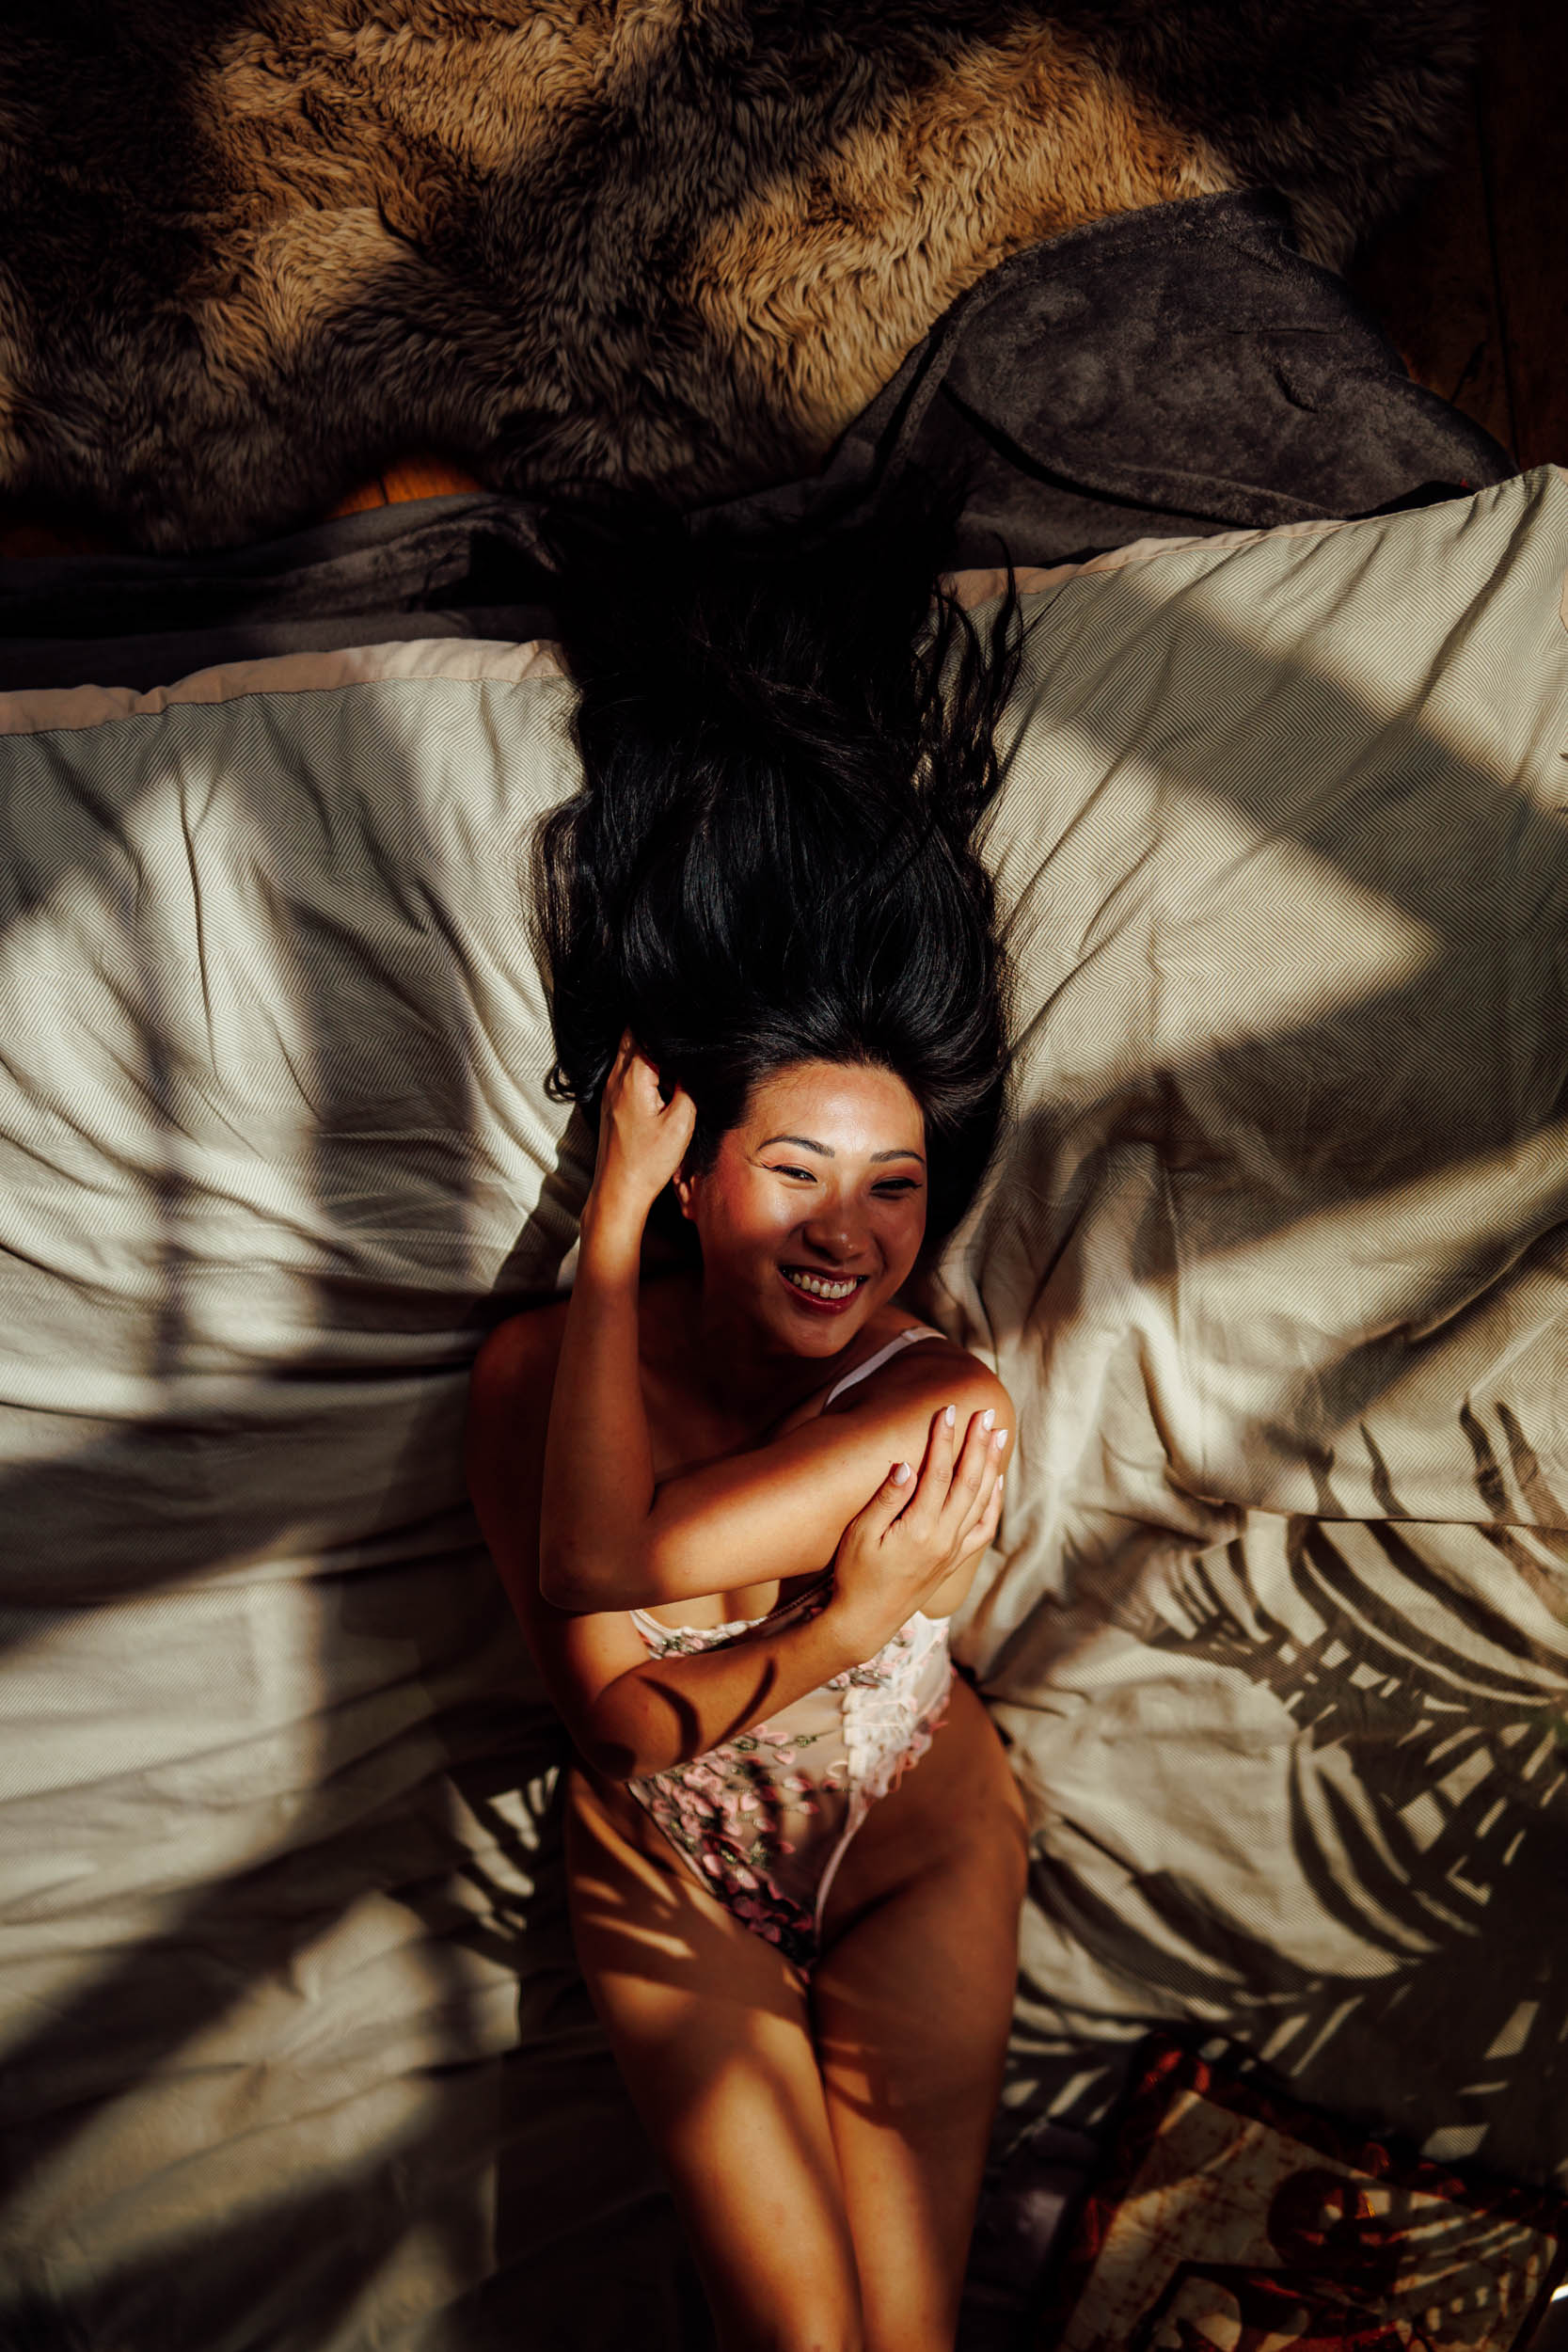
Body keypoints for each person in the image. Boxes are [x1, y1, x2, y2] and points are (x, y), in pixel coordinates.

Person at [465, 498, 1032, 2352]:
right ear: (702, 1182)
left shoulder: (933, 1393)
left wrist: (832, 1637)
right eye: (796, 1170)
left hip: (916, 1848)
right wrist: (851, 1622)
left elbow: (614, 1562)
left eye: (894, 1185)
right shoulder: (533, 1379)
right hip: (671, 1866)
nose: (852, 1229)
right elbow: (619, 1718)